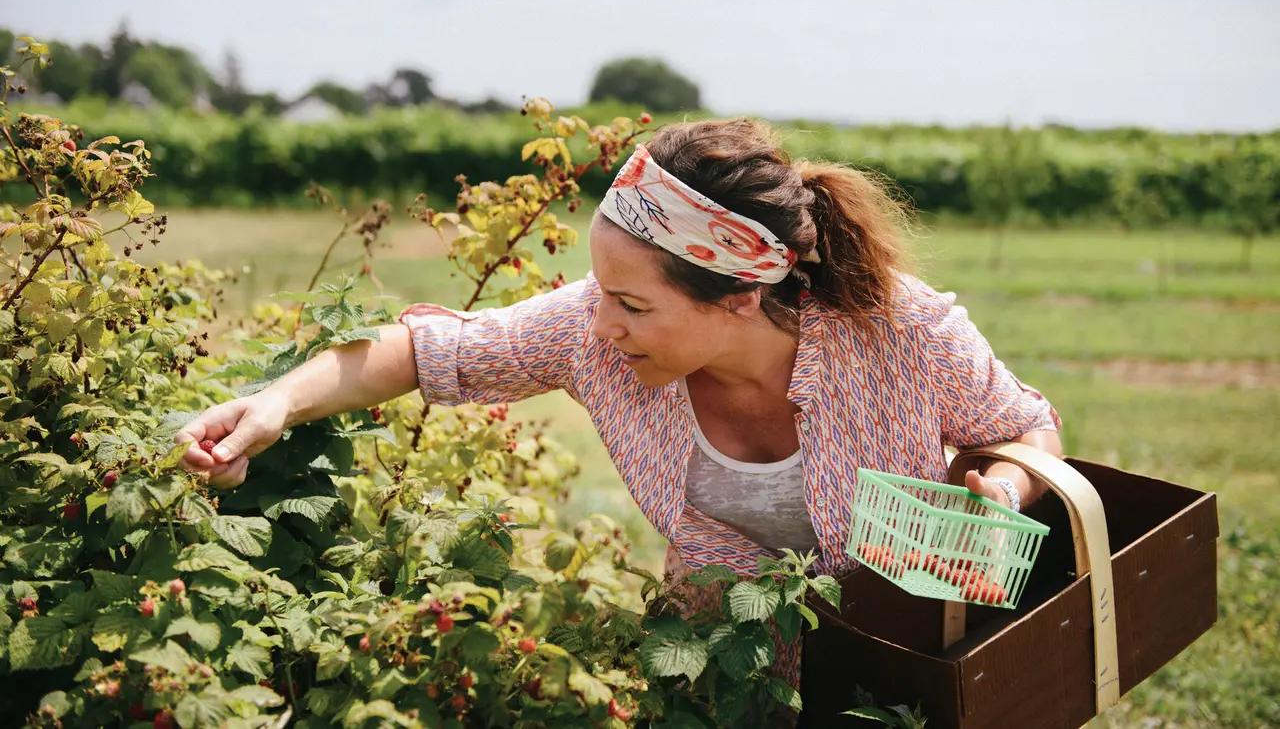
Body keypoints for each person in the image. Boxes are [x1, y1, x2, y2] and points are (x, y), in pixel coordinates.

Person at [177, 117, 1063, 695]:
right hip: (718, 682)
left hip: (902, 679)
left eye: (634, 304)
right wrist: (274, 406)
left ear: (738, 298)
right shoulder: (588, 332)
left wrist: (1004, 490)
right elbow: (419, 352)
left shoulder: (901, 332)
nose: (600, 324)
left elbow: (1028, 428)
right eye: (600, 289)